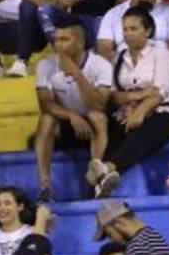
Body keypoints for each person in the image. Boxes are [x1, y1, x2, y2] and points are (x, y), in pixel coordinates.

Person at [94, 7, 169, 197]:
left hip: (162, 113)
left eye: (134, 29)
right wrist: (138, 95)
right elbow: (114, 95)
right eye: (125, 29)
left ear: (147, 31)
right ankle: (97, 184)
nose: (128, 34)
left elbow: (160, 92)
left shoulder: (161, 54)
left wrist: (140, 110)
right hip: (125, 112)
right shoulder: (118, 58)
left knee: (139, 134)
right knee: (106, 128)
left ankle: (108, 169)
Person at [32, 19, 112, 203]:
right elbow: (45, 104)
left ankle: (97, 179)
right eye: (56, 40)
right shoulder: (46, 65)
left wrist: (77, 74)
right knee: (46, 119)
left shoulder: (100, 65)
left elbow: (99, 104)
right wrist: (72, 116)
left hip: (94, 127)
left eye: (64, 39)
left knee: (97, 116)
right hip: (67, 124)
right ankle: (45, 185)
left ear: (80, 43)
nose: (58, 45)